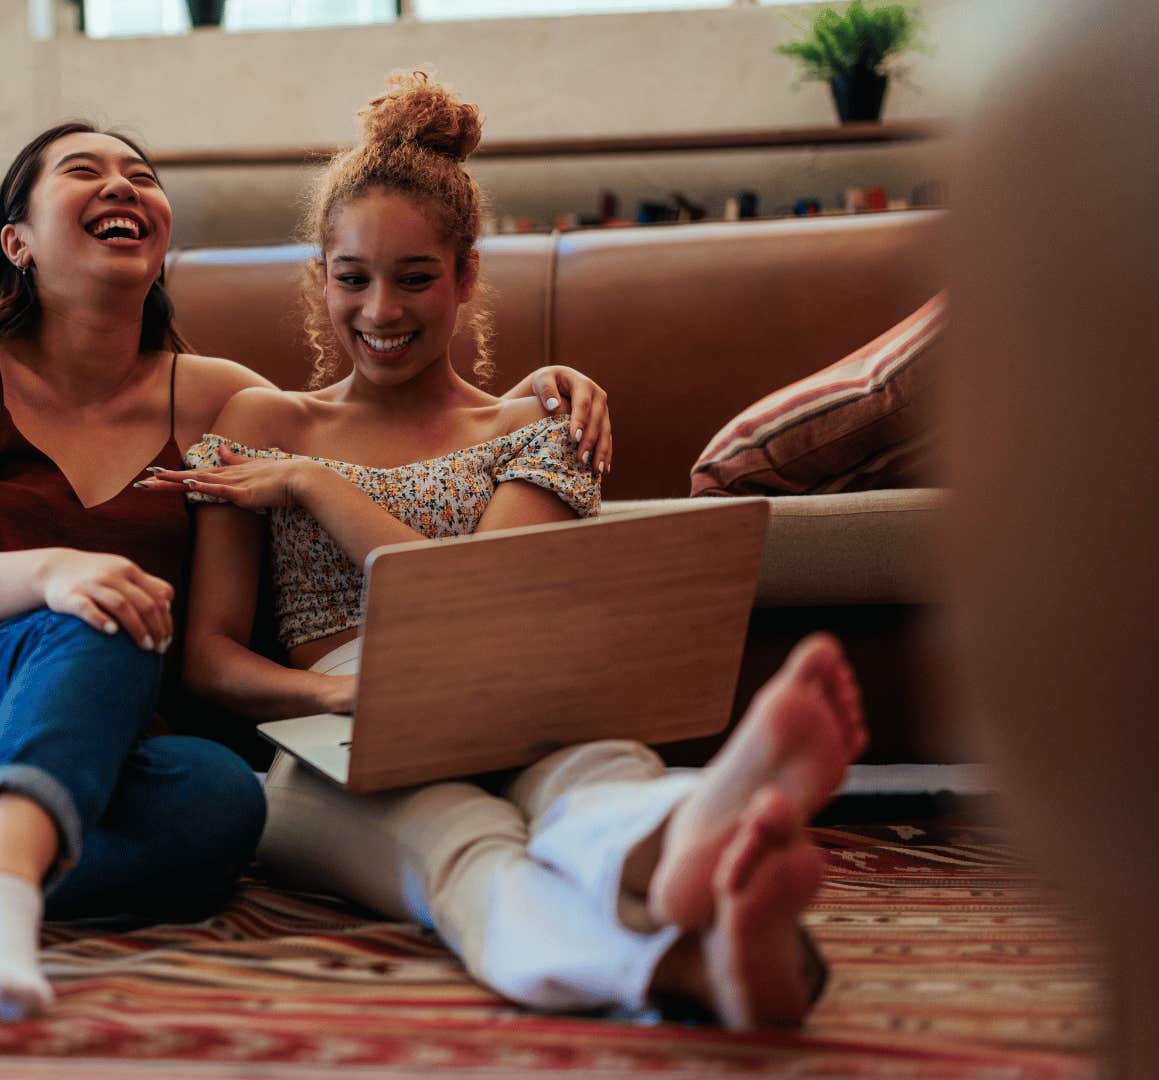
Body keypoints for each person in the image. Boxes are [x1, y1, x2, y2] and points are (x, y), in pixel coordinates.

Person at [0, 117, 619, 1021]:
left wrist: (533, 394)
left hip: (99, 761)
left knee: (223, 807)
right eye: (84, 171)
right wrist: (54, 578)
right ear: (19, 241)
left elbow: (368, 413)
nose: (123, 183)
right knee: (105, 615)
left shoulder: (225, 399)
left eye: (140, 173)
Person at [145, 72, 865, 1028]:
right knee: (465, 842)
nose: (380, 311)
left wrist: (318, 485)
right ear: (320, 278)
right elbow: (210, 660)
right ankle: (688, 963)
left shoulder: (538, 424)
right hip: (340, 739)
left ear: (467, 276)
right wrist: (335, 693)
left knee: (592, 779)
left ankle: (691, 839)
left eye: (414, 277)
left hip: (521, 698)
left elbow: (466, 603)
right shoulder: (261, 422)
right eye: (351, 277)